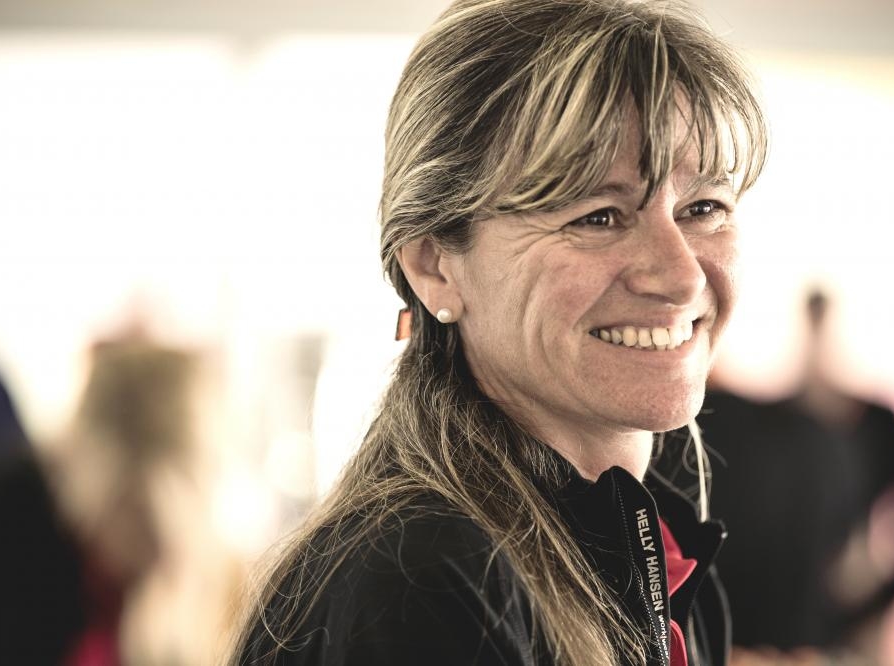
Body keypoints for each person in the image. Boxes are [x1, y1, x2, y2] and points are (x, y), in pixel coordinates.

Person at [232, 1, 767, 664]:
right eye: (598, 216)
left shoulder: (662, 558)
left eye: (704, 207)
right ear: (435, 266)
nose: (682, 277)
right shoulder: (419, 585)